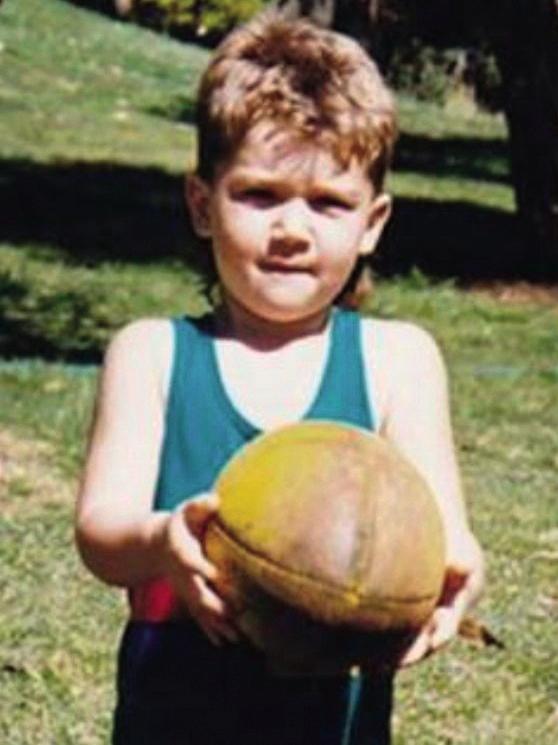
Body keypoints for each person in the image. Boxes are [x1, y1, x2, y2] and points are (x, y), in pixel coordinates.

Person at [75, 12, 485, 745]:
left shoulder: (399, 360)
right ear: (203, 204)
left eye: (329, 203)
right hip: (177, 718)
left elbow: (447, 535)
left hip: (334, 722)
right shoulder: (152, 354)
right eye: (260, 194)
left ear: (373, 222)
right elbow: (100, 534)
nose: (293, 228)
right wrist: (163, 539)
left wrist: (454, 577)